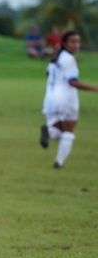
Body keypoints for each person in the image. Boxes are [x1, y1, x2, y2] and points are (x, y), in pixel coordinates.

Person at [40, 30, 98, 169]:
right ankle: (58, 163)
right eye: (73, 41)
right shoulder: (69, 59)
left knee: (58, 131)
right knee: (69, 132)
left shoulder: (56, 59)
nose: (76, 45)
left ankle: (48, 130)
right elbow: (72, 82)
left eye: (78, 41)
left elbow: (48, 75)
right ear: (65, 43)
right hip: (67, 98)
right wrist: (94, 88)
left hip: (50, 98)